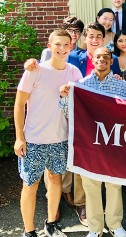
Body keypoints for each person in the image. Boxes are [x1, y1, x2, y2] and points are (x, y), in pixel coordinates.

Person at [14, 29, 83, 237]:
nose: (62, 48)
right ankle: (29, 231)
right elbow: (19, 105)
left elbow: (81, 103)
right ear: (50, 46)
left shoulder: (74, 73)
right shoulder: (35, 70)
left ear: (71, 46)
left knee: (55, 180)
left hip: (59, 138)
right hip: (33, 139)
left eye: (66, 44)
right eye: (58, 44)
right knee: (30, 184)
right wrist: (19, 137)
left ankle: (51, 224)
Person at [60, 47, 126, 237]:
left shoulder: (122, 86)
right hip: (90, 144)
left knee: (114, 185)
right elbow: (69, 114)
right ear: (92, 59)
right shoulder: (81, 85)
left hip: (114, 144)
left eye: (106, 57)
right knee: (91, 186)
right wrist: (65, 98)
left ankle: (115, 224)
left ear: (111, 61)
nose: (102, 60)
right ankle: (95, 228)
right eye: (98, 57)